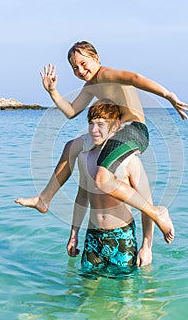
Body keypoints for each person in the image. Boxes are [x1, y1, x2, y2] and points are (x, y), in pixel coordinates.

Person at [15, 41, 188, 244]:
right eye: (74, 68)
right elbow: (72, 111)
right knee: (70, 147)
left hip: (134, 131)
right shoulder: (90, 87)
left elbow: (135, 78)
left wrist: (168, 95)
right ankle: (44, 198)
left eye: (83, 63)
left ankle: (156, 212)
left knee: (101, 179)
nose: (80, 70)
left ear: (96, 58)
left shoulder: (106, 74)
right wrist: (52, 92)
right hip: (113, 133)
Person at [66, 100, 158, 273]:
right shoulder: (84, 157)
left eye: (101, 124)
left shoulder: (130, 161)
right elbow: (82, 196)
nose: (94, 130)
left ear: (115, 126)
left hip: (122, 235)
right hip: (93, 236)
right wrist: (74, 234)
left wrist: (147, 247)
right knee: (87, 290)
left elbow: (148, 205)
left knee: (124, 294)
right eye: (91, 124)